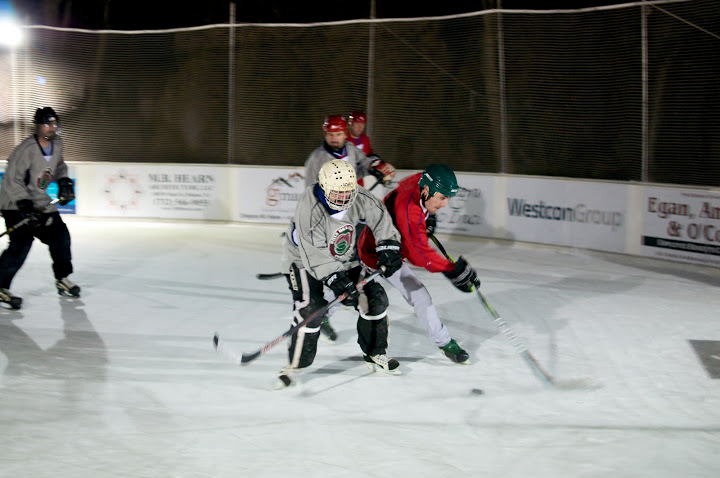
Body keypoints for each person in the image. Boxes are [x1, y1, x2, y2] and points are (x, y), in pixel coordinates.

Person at [277, 159, 403, 388]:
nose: (344, 197)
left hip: (344, 257)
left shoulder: (359, 197)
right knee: (311, 309)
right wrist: (335, 278)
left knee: (374, 299)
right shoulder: (309, 206)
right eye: (338, 192)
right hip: (303, 260)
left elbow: (381, 219)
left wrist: (389, 245)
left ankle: (375, 352)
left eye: (348, 191)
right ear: (324, 187)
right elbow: (312, 252)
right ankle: (295, 365)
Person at [357, 164, 478, 364]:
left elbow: (406, 190)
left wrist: (428, 216)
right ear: (427, 190)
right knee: (348, 291)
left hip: (392, 251)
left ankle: (444, 342)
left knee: (420, 296)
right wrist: (451, 269)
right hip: (374, 254)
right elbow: (419, 254)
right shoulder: (409, 212)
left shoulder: (420, 182)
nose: (445, 204)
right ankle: (324, 313)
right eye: (442, 198)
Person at [303, 114, 396, 342]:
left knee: (354, 269)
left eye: (338, 134)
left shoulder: (352, 150)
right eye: (330, 134)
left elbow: (364, 164)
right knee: (339, 272)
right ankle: (324, 310)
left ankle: (332, 310)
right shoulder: (317, 159)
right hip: (332, 222)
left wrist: (377, 166)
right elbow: (311, 194)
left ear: (345, 134)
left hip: (353, 216)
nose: (334, 138)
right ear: (325, 134)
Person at [0, 107, 79, 309]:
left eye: (54, 123)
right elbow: (12, 180)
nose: (52, 127)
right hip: (14, 203)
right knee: (21, 244)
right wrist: (24, 205)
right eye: (48, 124)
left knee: (60, 237)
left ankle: (62, 278)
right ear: (38, 126)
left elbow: (59, 166)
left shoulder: (57, 143)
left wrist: (64, 181)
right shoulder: (26, 149)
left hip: (40, 201)